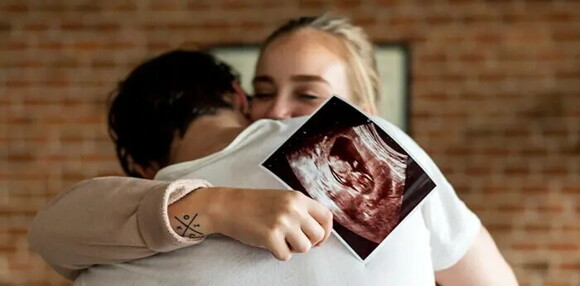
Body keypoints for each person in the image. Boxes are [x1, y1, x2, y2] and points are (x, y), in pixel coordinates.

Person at [29, 15, 518, 286]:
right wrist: (217, 205)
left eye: (308, 97)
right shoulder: (349, 149)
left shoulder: (343, 142)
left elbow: (50, 234)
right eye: (266, 91)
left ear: (363, 110)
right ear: (242, 100)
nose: (280, 113)